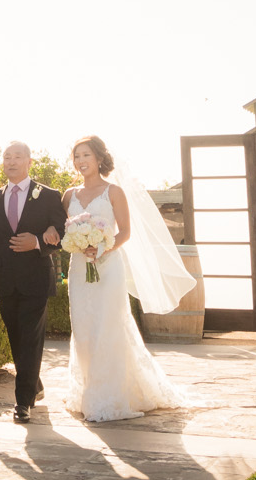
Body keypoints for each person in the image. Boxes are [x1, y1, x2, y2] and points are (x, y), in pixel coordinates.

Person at [60, 134, 190, 423]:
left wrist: (101, 247)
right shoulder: (68, 195)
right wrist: (79, 244)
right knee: (83, 328)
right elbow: (62, 231)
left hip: (108, 267)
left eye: (86, 155)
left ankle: (109, 396)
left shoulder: (114, 192)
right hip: (80, 268)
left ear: (99, 158)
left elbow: (126, 233)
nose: (81, 161)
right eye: (77, 156)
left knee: (108, 326)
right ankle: (88, 391)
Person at [0, 141, 66, 423]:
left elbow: (62, 231)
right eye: (7, 157)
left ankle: (23, 402)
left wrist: (37, 241)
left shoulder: (49, 195)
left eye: (17, 157)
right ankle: (33, 384)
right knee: (16, 337)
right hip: (7, 281)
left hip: (36, 280)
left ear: (29, 161)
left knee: (31, 338)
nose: (11, 161)